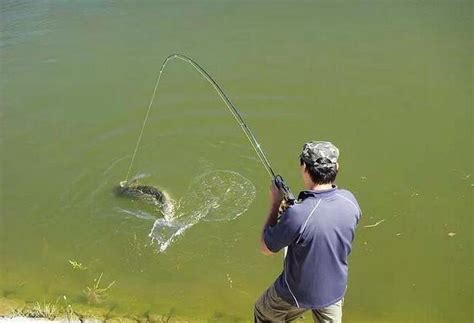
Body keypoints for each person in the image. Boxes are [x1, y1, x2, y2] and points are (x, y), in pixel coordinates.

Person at [254, 141, 361, 323]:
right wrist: (295, 211)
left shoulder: (298, 215)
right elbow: (321, 223)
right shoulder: (350, 201)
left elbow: (266, 248)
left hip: (296, 293)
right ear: (336, 167)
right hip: (334, 291)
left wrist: (275, 203)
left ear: (304, 167)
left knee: (263, 312)